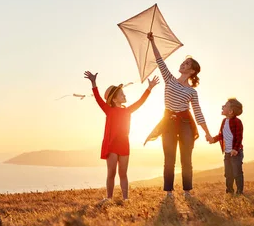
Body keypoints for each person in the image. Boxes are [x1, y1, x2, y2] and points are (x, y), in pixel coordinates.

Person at [144, 32, 212, 198]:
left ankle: (187, 191)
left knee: (186, 159)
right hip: (168, 122)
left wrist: (207, 132)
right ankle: (169, 192)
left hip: (185, 124)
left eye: (187, 63)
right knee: (169, 158)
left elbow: (198, 112)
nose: (183, 63)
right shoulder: (169, 79)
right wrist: (152, 41)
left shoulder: (191, 91)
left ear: (192, 70)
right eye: (184, 61)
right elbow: (160, 60)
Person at [84, 71, 159, 201]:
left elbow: (140, 102)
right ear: (114, 99)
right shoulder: (109, 110)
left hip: (124, 144)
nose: (124, 95)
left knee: (123, 173)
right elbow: (98, 99)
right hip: (112, 145)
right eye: (121, 94)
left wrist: (149, 88)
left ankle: (126, 199)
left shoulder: (127, 110)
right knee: (111, 173)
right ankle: (109, 198)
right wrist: (93, 83)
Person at [209, 98, 244, 195]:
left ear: (230, 111)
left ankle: (239, 192)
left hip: (235, 152)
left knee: (237, 173)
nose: (222, 107)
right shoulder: (224, 121)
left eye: (225, 106)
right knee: (228, 174)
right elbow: (222, 135)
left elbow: (239, 137)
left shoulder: (237, 122)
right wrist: (213, 139)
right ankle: (229, 191)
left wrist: (235, 149)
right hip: (227, 152)